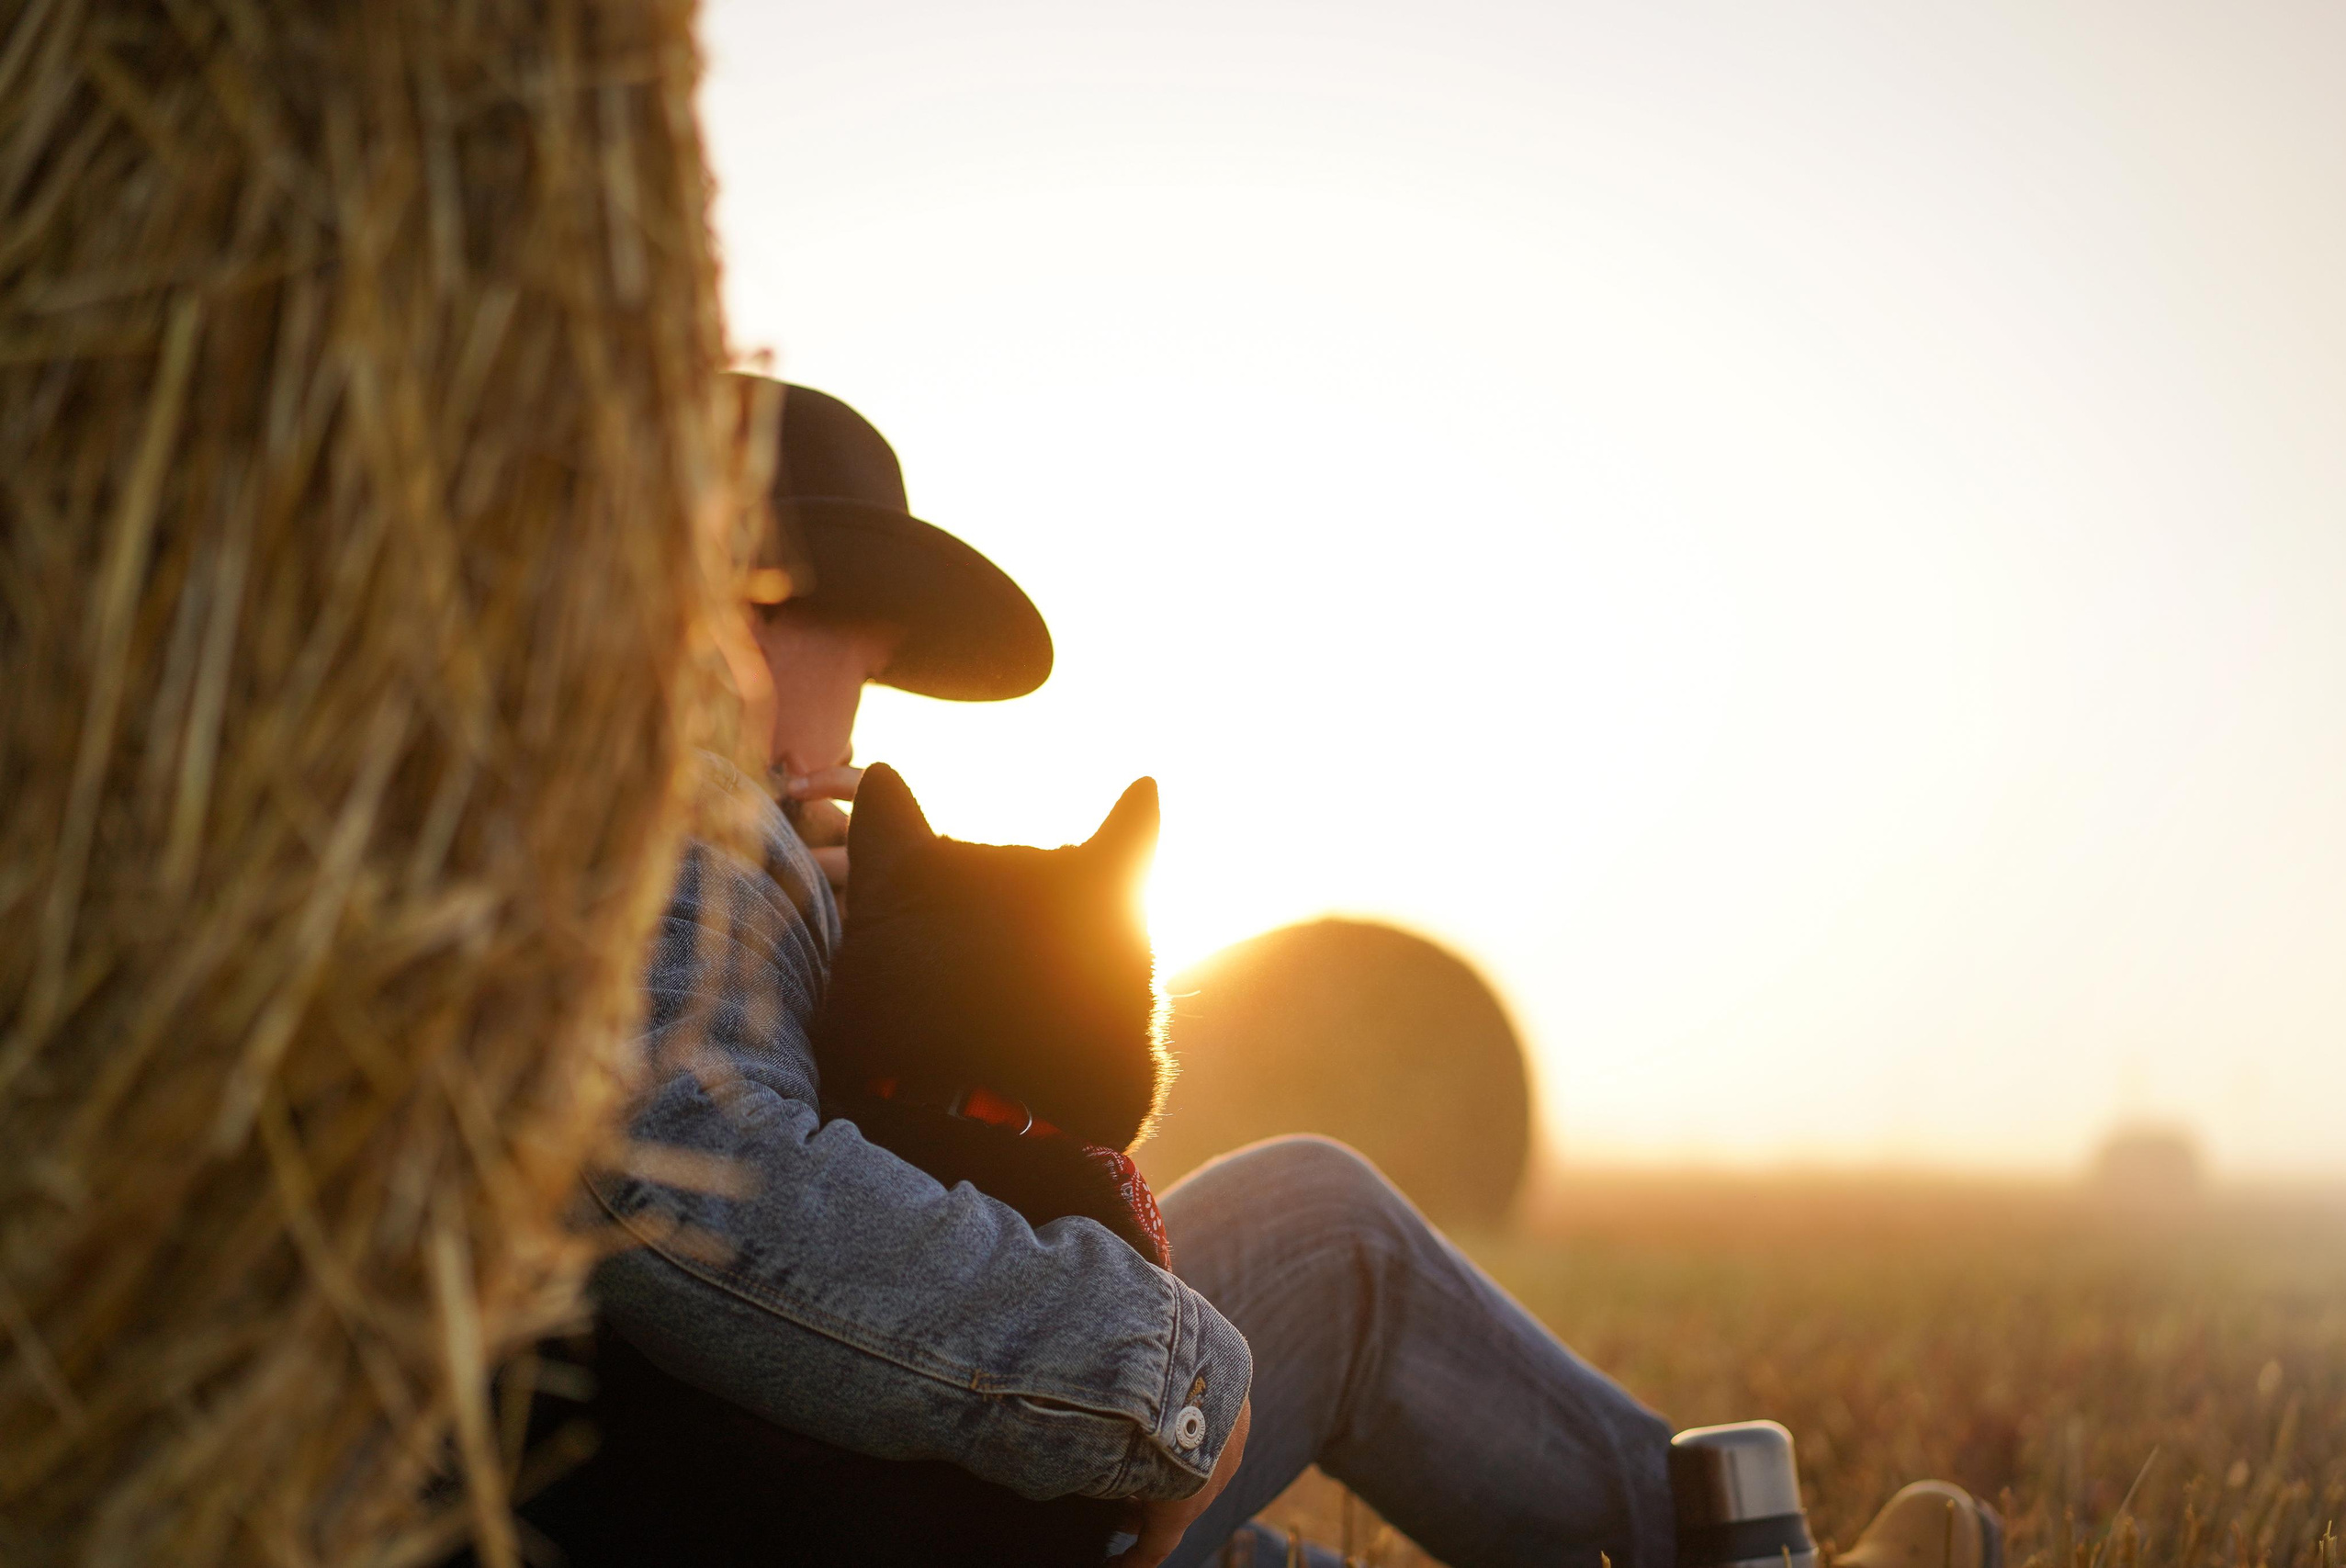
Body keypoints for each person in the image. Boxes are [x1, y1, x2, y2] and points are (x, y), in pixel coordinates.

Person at [581, 378, 2004, 1568]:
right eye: (868, 664)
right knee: (1328, 1236)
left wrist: (869, 940)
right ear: (745, 614)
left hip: (808, 1484)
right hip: (800, 1500)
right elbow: (685, 1179)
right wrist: (1157, 1363)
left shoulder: (634, 853)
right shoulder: (685, 822)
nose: (855, 739)